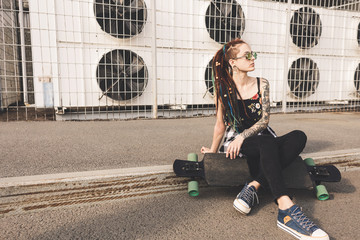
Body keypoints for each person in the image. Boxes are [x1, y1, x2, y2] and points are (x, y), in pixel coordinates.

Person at [201, 38, 329, 240]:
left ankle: (253, 186)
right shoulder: (223, 89)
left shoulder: (262, 83)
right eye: (247, 56)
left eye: (253, 54)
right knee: (268, 143)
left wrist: (244, 136)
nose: (253, 59)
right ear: (233, 62)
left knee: (298, 136)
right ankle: (286, 208)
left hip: (261, 136)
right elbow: (220, 124)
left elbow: (264, 121)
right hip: (236, 141)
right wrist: (212, 151)